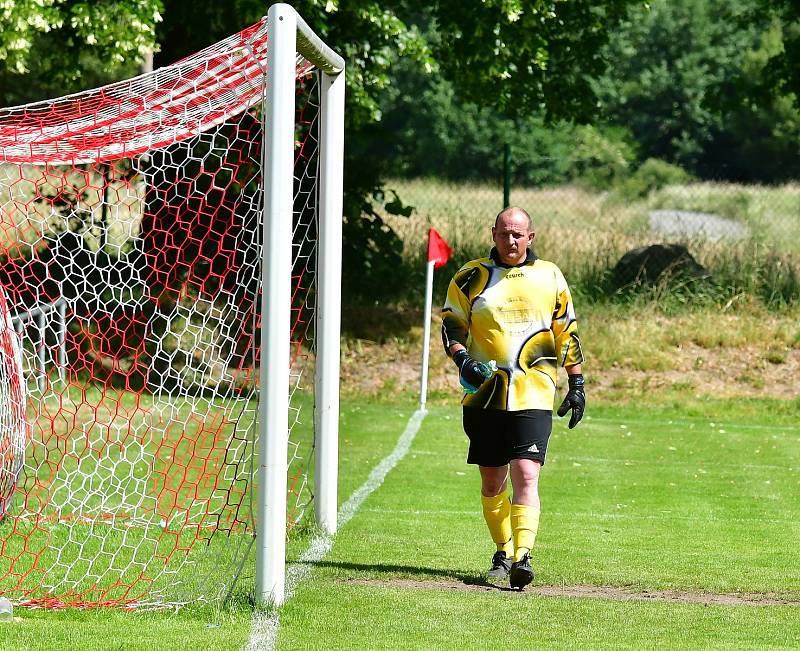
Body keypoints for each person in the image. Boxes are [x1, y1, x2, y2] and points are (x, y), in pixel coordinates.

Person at [441, 206, 585, 590]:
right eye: (504, 233)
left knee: (526, 473)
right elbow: (452, 325)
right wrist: (462, 359)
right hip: (485, 397)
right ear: (493, 234)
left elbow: (565, 331)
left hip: (534, 391)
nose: (511, 240)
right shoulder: (471, 276)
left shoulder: (549, 275)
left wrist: (577, 382)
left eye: (518, 234)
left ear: (531, 237)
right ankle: (502, 552)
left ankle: (523, 556)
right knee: (492, 483)